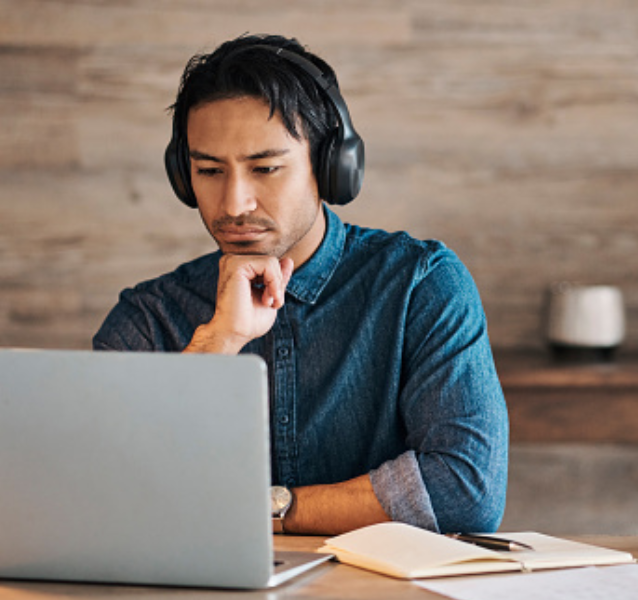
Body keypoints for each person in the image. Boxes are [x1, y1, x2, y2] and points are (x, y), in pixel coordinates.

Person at [93, 34, 508, 536]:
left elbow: (466, 491)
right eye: (208, 170)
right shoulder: (148, 316)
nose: (234, 204)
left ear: (332, 165)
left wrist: (270, 508)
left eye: (265, 168)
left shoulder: (420, 284)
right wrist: (217, 343)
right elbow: (106, 491)